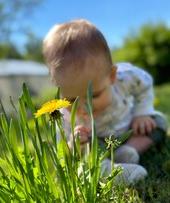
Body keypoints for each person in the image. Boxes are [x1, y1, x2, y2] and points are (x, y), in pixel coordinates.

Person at [42, 19, 168, 185]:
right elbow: (64, 151)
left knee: (158, 121)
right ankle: (107, 171)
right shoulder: (63, 115)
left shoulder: (125, 78)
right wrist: (75, 144)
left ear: (112, 76)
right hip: (100, 145)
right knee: (84, 160)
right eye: (72, 99)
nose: (84, 107)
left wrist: (142, 113)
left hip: (131, 130)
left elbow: (143, 82)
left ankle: (129, 151)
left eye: (94, 95)